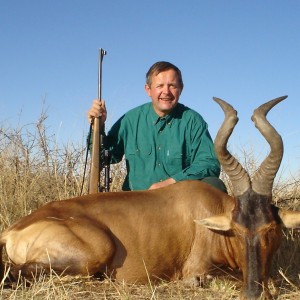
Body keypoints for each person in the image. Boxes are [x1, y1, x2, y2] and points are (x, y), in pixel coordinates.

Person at [87, 61, 226, 192]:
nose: (166, 91)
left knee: (215, 185)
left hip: (178, 200)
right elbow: (106, 157)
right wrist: (97, 127)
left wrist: (171, 182)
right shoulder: (130, 120)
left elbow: (209, 164)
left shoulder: (193, 121)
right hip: (137, 202)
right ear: (148, 89)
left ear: (181, 89)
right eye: (160, 86)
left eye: (172, 85)